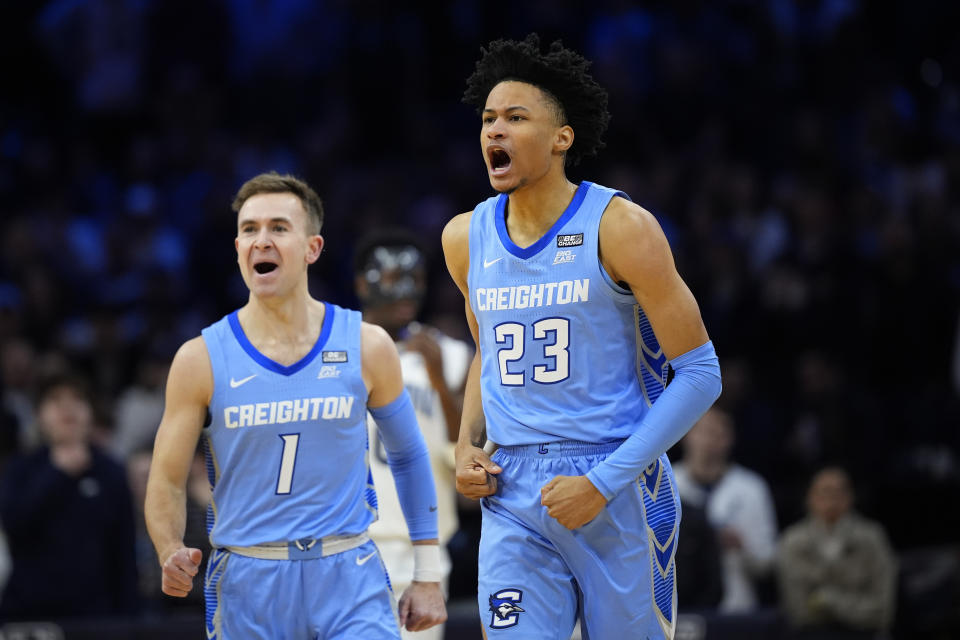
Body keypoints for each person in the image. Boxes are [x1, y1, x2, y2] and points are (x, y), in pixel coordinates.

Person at [441, 34, 722, 639]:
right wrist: (465, 445)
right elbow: (488, 357)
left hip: (616, 480)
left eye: (516, 117)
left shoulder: (621, 226)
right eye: (489, 119)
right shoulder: (464, 238)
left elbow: (701, 373)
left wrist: (603, 481)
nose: (495, 131)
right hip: (512, 491)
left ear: (561, 138)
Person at [144, 172, 446, 638]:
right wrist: (168, 549)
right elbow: (166, 479)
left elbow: (408, 456)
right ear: (238, 246)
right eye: (249, 230)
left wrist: (427, 573)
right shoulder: (200, 358)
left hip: (348, 569)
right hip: (250, 578)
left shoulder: (366, 345)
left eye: (279, 228)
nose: (261, 240)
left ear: (312, 247)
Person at [354, 228, 472, 640]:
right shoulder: (334, 351)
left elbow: (466, 451)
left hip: (421, 549)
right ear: (360, 283)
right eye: (390, 277)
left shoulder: (450, 354)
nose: (405, 289)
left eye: (415, 278)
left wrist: (439, 379)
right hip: (349, 542)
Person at [0, 371, 139, 619]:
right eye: (55, 400)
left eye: (77, 399)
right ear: (39, 416)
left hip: (96, 616)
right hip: (29, 613)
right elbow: (14, 525)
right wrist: (58, 473)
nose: (67, 408)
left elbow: (124, 552)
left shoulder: (111, 471)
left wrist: (128, 619)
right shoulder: (21, 468)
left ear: (91, 414)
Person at [673, 406, 779, 613]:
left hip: (736, 608)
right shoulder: (667, 484)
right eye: (703, 431)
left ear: (730, 439)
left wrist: (742, 546)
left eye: (718, 433)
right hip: (676, 608)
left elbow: (767, 562)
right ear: (686, 434)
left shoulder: (751, 488)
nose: (710, 440)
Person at [777, 466, 897, 639]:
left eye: (839, 492)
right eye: (825, 492)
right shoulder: (793, 541)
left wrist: (828, 601)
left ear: (851, 497)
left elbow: (883, 609)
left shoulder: (873, 538)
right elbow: (799, 611)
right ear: (810, 497)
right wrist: (856, 607)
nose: (832, 499)